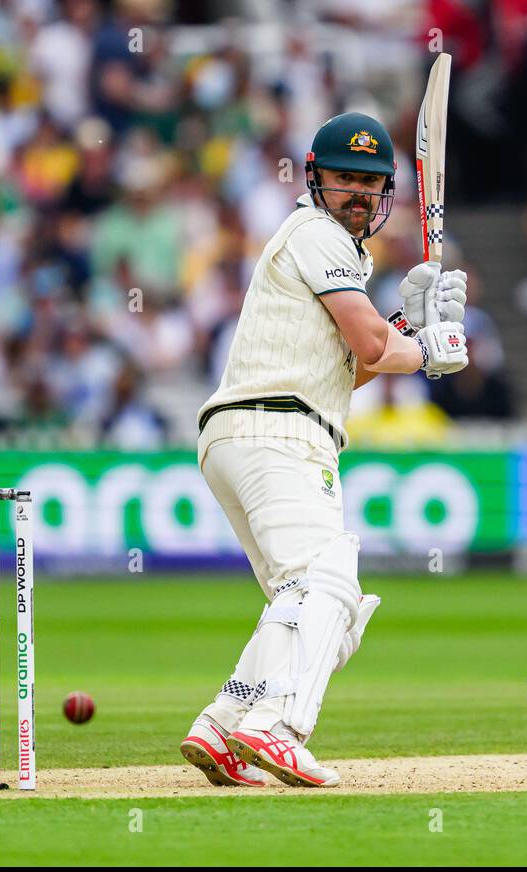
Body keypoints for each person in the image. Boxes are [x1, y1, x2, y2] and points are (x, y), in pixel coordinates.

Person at [179, 112, 470, 788]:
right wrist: (425, 348)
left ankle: (225, 723)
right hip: (277, 432)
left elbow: (353, 366)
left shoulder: (336, 251)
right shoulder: (316, 232)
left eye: (371, 183)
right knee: (330, 580)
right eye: (344, 179)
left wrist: (407, 325)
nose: (358, 194)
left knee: (309, 604)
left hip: (252, 431)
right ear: (315, 179)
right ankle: (277, 728)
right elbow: (374, 349)